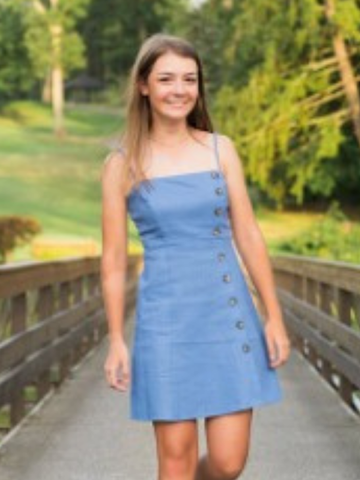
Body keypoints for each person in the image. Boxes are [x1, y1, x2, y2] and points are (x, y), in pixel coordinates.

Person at [101, 33, 291, 480]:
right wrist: (115, 340)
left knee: (227, 463)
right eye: (166, 78)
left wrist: (274, 316)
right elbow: (112, 261)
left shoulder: (219, 149)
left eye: (190, 79)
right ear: (144, 85)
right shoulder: (121, 165)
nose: (179, 89)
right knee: (176, 461)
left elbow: (247, 232)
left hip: (227, 316)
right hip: (165, 323)